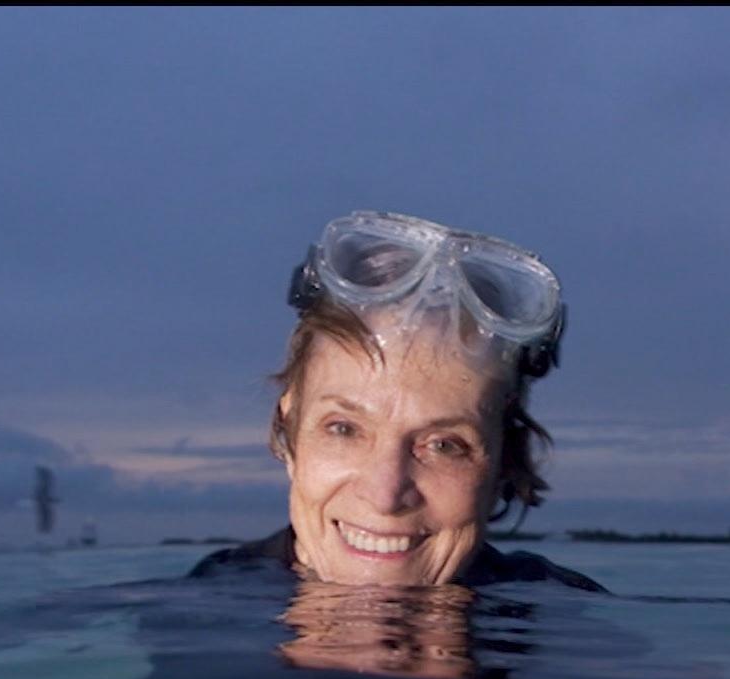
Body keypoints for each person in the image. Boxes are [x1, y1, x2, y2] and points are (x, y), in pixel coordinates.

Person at [190, 210, 604, 593]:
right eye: (344, 429)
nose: (386, 495)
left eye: (444, 444)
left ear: (504, 461)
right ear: (290, 432)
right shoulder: (203, 612)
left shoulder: (563, 618)